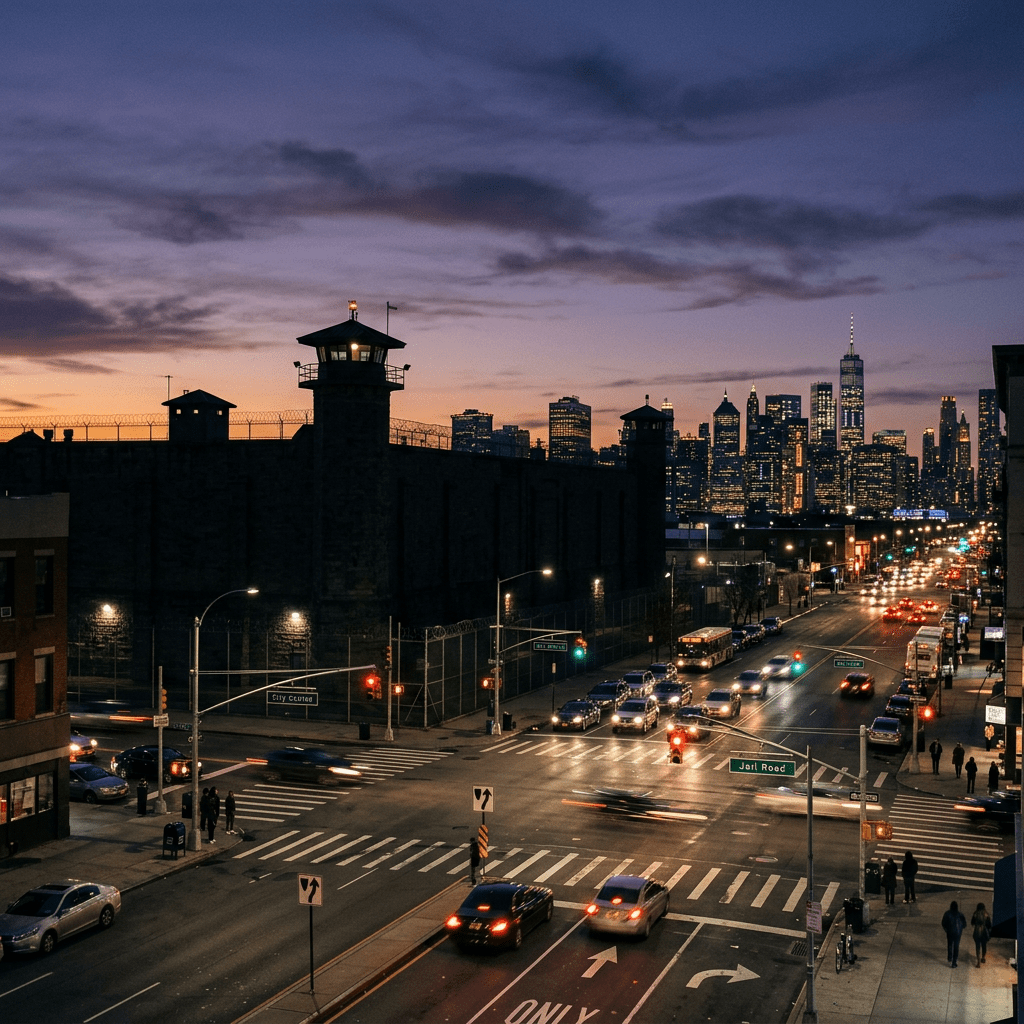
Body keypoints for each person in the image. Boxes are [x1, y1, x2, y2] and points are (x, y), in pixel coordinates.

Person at [941, 900, 966, 967]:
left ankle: (949, 957)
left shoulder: (947, 914)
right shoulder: (960, 914)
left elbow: (943, 923)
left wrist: (946, 930)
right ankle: (954, 962)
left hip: (950, 932)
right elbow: (964, 924)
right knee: (956, 946)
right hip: (958, 932)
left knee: (949, 944)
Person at [971, 902, 992, 967]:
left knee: (977, 946)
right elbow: (989, 925)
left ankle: (978, 962)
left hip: (977, 931)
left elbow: (972, 922)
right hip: (984, 932)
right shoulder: (986, 914)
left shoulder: (975, 913)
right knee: (984, 945)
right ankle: (983, 957)